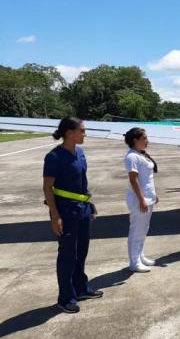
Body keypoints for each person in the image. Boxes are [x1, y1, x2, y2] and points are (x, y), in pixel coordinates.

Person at [43, 117, 103, 313]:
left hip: (82, 210)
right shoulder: (54, 157)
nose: (85, 134)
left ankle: (80, 288)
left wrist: (90, 205)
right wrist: (55, 216)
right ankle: (65, 298)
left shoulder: (80, 152)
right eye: (82, 130)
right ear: (69, 132)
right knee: (68, 255)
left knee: (82, 252)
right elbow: (47, 188)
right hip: (66, 212)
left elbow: (82, 184)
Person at [124, 128, 159, 272]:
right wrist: (141, 199)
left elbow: (148, 179)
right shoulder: (132, 156)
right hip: (139, 199)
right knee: (136, 230)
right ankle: (134, 262)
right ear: (135, 140)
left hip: (148, 198)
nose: (147, 140)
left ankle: (140, 255)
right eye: (144, 138)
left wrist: (153, 195)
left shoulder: (141, 154)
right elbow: (134, 180)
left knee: (143, 229)